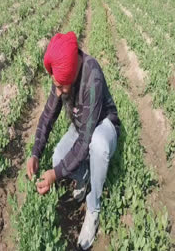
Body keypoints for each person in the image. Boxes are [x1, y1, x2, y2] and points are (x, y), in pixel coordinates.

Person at [26, 32, 120, 250]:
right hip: (82, 125)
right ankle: (85, 175)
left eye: (61, 87)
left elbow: (87, 138)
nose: (58, 91)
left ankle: (93, 207)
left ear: (72, 74)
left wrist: (55, 174)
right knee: (58, 156)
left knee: (98, 145)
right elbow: (48, 114)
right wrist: (35, 152)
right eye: (55, 85)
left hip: (103, 127)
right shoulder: (61, 72)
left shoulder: (92, 77)